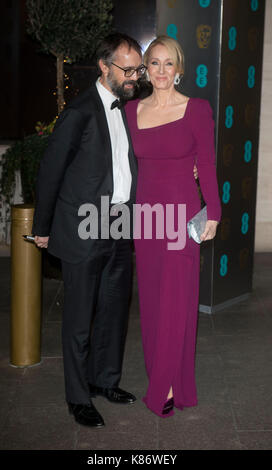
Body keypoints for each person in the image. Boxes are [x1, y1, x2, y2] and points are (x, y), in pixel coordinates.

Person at [32, 33, 146, 427]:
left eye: (138, 68)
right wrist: (42, 227)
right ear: (104, 66)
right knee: (80, 319)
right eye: (127, 69)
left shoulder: (129, 110)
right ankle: (78, 398)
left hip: (119, 222)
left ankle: (105, 381)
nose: (134, 76)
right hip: (84, 227)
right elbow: (51, 172)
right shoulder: (78, 112)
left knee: (114, 310)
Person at [125, 35, 221, 418]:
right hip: (146, 217)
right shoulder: (130, 111)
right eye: (154, 63)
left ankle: (164, 385)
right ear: (145, 69)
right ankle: (170, 380)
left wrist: (213, 212)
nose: (161, 71)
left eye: (169, 63)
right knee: (151, 300)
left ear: (179, 70)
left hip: (183, 216)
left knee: (177, 300)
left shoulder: (196, 109)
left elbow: (209, 164)